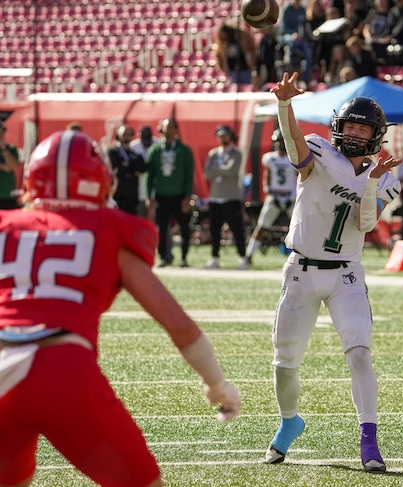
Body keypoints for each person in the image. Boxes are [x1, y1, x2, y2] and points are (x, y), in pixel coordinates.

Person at [0, 130, 240, 487]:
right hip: (62, 371)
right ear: (101, 181)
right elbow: (178, 324)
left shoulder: (5, 226)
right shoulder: (110, 230)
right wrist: (216, 383)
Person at [264, 72, 401, 473]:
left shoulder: (387, 177)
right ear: (339, 127)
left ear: (377, 134)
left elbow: (366, 223)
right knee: (285, 362)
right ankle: (290, 421)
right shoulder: (320, 152)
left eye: (364, 127)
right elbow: (294, 149)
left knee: (359, 353)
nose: (356, 133)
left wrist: (373, 183)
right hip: (302, 271)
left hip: (346, 275)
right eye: (351, 125)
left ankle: (369, 440)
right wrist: (284, 105)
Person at [242, 129, 297, 267]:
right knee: (262, 226)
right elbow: (267, 177)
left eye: (283, 141)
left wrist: (293, 196)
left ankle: (303, 257)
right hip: (274, 196)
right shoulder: (270, 158)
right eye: (278, 141)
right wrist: (270, 194)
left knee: (299, 227)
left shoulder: (293, 157)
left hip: (290, 196)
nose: (281, 144)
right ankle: (248, 255)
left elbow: (298, 178)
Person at [146, 117, 195, 268]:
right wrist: (149, 196)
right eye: (166, 128)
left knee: (184, 227)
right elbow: (150, 175)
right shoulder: (155, 150)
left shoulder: (184, 150)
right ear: (160, 129)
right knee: (162, 227)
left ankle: (184, 257)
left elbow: (189, 174)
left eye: (171, 127)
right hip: (162, 194)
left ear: (176, 130)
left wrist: (188, 195)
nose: (168, 131)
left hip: (179, 195)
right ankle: (163, 256)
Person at [203, 125, 248, 270]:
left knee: (237, 229)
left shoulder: (236, 153)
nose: (223, 138)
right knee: (214, 230)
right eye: (220, 136)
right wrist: (221, 170)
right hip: (215, 198)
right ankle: (215, 257)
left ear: (230, 136)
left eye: (225, 135)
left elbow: (232, 170)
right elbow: (207, 173)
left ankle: (242, 257)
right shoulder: (213, 154)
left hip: (231, 197)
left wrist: (216, 169)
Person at [108, 124, 148, 215]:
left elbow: (143, 167)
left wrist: (128, 165)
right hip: (118, 193)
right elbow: (116, 166)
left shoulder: (134, 153)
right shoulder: (113, 151)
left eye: (129, 134)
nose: (126, 137)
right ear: (118, 135)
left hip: (132, 193)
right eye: (124, 134)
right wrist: (132, 169)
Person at [214, 21, 257, 85]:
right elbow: (220, 55)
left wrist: (251, 62)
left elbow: (249, 49)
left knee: (246, 85)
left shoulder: (241, 35)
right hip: (232, 69)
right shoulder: (224, 43)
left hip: (244, 68)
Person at [130, 125, 156, 218]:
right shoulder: (133, 146)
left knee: (156, 218)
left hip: (154, 187)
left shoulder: (157, 144)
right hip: (139, 187)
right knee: (141, 216)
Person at [0, 120, 20, 209]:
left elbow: (13, 166)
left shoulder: (11, 149)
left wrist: (4, 149)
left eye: (1, 133)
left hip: (7, 196)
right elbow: (8, 167)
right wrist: (5, 167)